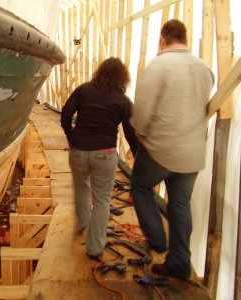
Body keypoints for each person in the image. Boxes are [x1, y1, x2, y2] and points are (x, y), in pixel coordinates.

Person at [131, 19, 214, 279]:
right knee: (181, 204)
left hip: (161, 149)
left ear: (163, 39)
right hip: (192, 152)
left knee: (141, 188)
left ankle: (157, 240)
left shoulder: (159, 65)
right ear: (185, 39)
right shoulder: (204, 69)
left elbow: (142, 109)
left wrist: (140, 131)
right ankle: (179, 261)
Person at [61, 57, 138, 261]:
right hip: (105, 154)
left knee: (81, 187)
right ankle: (94, 248)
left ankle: (82, 222)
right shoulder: (123, 101)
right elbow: (131, 133)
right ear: (123, 78)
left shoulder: (83, 90)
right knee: (102, 200)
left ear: (99, 72)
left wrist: (72, 138)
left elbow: (65, 115)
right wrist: (138, 157)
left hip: (78, 151)